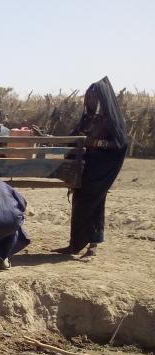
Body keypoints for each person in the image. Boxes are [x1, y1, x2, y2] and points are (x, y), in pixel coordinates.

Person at [55, 77, 129, 259]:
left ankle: (93, 246)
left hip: (100, 170)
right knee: (79, 204)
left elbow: (120, 144)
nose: (90, 101)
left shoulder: (111, 120)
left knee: (95, 204)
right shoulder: (88, 119)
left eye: (93, 97)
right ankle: (75, 244)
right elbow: (74, 137)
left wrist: (96, 143)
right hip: (83, 168)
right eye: (88, 97)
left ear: (102, 99)